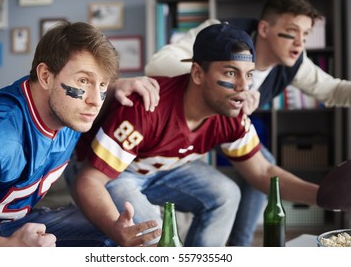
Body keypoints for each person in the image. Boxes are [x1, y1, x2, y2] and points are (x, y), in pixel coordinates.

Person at [71, 22, 320, 247]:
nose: (244, 87)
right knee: (154, 235)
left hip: (162, 168)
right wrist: (116, 230)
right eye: (231, 73)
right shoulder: (147, 106)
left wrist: (324, 195)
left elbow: (263, 172)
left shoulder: (231, 112)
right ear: (198, 73)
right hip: (112, 171)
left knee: (226, 194)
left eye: (249, 74)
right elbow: (89, 182)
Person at [144, 0, 351, 246]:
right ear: (264, 28)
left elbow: (332, 90)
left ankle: (240, 245)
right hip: (194, 119)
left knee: (262, 166)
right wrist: (221, 84)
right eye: (292, 31)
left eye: (306, 35)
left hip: (228, 126)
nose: (300, 43)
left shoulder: (295, 61)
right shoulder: (221, 36)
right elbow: (158, 65)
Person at [0, 21, 161, 247]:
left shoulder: (71, 111)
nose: (95, 101)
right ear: (46, 76)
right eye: (84, 81)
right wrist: (6, 249)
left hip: (21, 220)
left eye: (103, 84)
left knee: (120, 233)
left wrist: (120, 85)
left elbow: (94, 95)